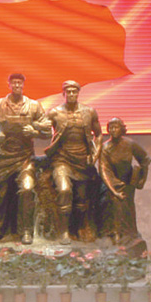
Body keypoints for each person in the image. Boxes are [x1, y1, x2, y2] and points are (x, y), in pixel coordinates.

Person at [0, 73, 52, 244]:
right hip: (3, 158)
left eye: (20, 83)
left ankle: (26, 230)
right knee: (0, 193)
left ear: (23, 85)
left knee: (27, 189)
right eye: (14, 83)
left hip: (25, 158)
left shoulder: (33, 106)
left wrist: (35, 132)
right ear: (9, 85)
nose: (17, 85)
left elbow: (48, 132)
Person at [45, 80, 103, 244]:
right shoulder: (54, 113)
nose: (71, 94)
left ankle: (78, 229)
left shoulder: (89, 112)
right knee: (64, 190)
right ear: (63, 94)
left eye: (74, 91)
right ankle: (63, 232)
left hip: (82, 161)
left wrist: (95, 155)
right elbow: (41, 130)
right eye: (68, 92)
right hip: (62, 159)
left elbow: (99, 135)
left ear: (78, 93)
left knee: (81, 200)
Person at [99, 117, 151, 254]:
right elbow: (104, 170)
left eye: (116, 127)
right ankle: (113, 234)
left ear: (122, 129)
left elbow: (145, 159)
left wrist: (142, 178)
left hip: (128, 182)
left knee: (127, 208)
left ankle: (130, 235)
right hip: (110, 184)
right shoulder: (105, 147)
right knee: (112, 202)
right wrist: (114, 190)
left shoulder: (130, 144)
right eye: (111, 127)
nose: (113, 130)